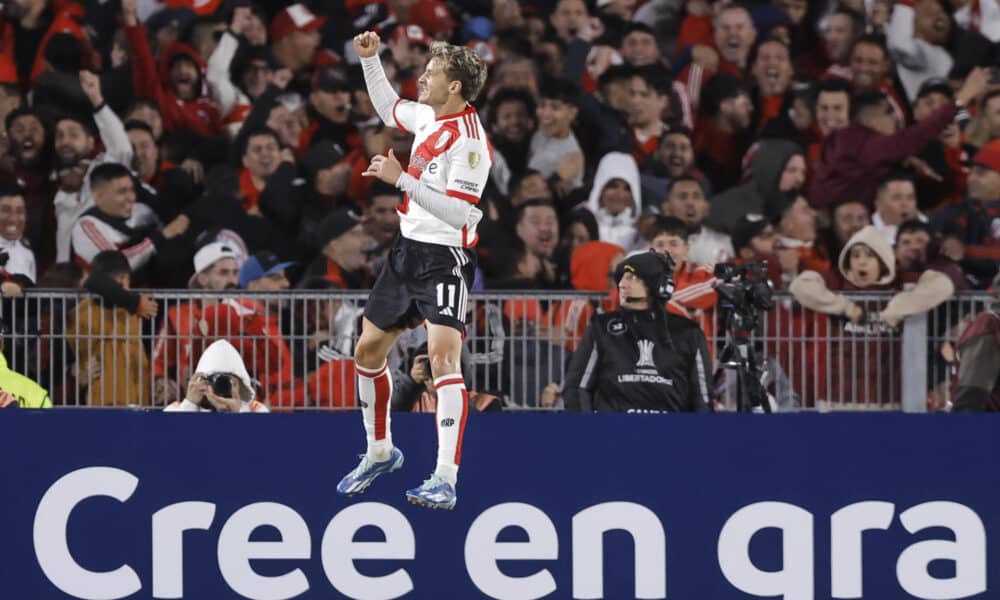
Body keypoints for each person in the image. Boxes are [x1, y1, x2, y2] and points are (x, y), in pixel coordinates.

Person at [336, 31, 491, 510]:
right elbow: (388, 107)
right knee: (366, 350)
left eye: (433, 73)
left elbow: (460, 214)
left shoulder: (470, 145)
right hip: (406, 250)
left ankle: (445, 476)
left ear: (457, 87)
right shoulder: (428, 114)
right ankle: (380, 450)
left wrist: (400, 178)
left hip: (444, 258)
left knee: (444, 360)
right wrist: (370, 59)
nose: (423, 77)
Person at [563, 250, 713, 413]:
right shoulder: (601, 327)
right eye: (622, 277)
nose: (622, 284)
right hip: (613, 434)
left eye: (633, 277)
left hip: (671, 434)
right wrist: (591, 433)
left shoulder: (688, 333)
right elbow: (577, 388)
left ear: (659, 284)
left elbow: (703, 399)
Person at [164, 339, 269, 413]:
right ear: (203, 382)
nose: (221, 387)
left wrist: (236, 415)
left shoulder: (256, 411)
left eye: (228, 382)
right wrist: (189, 406)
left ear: (241, 384)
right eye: (215, 381)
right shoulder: (175, 410)